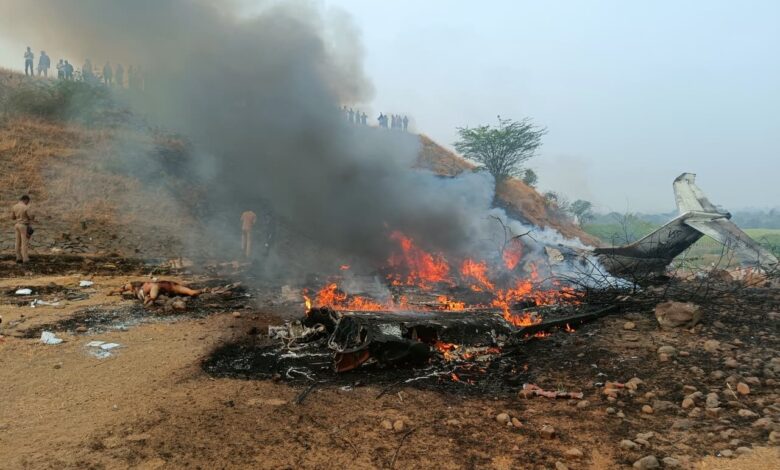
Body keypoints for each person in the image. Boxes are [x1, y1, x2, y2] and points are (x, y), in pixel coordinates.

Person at [108, 280, 202, 307]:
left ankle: (203, 291)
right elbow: (122, 288)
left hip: (168, 286)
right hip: (165, 290)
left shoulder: (150, 286)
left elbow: (154, 292)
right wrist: (113, 291)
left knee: (191, 292)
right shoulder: (132, 286)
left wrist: (150, 298)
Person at [11, 195, 34, 264]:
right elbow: (30, 217)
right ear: (25, 200)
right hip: (24, 226)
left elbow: (12, 218)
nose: (28, 203)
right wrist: (33, 216)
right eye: (28, 201)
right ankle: (25, 259)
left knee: (17, 242)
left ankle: (18, 258)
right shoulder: (25, 207)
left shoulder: (14, 206)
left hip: (17, 225)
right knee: (24, 243)